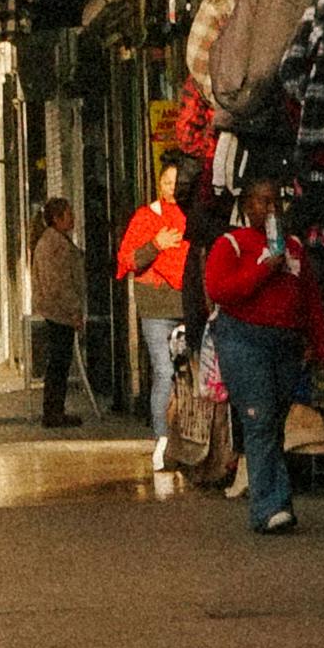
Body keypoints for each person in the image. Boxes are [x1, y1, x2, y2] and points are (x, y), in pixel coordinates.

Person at [197, 163, 324, 534]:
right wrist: (263, 268)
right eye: (264, 201)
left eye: (277, 202)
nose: (272, 209)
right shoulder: (232, 244)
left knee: (274, 422)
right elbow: (221, 290)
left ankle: (277, 501)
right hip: (244, 340)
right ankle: (270, 507)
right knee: (258, 421)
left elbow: (310, 299)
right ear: (248, 206)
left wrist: (320, 345)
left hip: (286, 345)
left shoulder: (294, 248)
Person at [115, 168, 200, 481]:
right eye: (167, 182)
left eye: (177, 183)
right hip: (156, 307)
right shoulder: (145, 217)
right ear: (158, 185)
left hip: (188, 305)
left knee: (192, 372)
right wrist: (156, 244)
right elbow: (129, 259)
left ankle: (193, 440)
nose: (172, 188)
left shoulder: (193, 216)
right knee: (164, 371)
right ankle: (162, 439)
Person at [23, 196, 89, 429]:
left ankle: (55, 410)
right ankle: (53, 412)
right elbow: (60, 283)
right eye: (68, 214)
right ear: (57, 218)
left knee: (59, 363)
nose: (72, 218)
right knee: (59, 364)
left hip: (56, 309)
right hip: (58, 312)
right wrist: (74, 311)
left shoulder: (55, 241)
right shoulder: (55, 244)